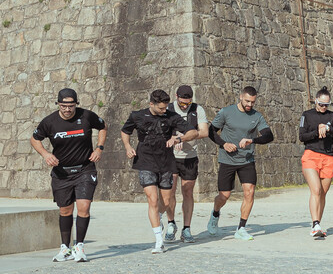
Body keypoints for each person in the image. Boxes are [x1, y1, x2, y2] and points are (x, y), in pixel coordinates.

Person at [30, 88, 106, 262]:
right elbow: (34, 139)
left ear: (76, 104)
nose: (67, 109)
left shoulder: (87, 116)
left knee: (84, 207)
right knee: (65, 210)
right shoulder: (49, 122)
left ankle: (79, 246)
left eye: (71, 106)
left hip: (85, 169)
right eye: (63, 106)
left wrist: (99, 148)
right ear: (58, 104)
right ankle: (65, 248)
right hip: (62, 172)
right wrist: (46, 154)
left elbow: (103, 127)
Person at [120, 90, 188, 253]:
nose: (164, 111)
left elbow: (193, 131)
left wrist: (178, 138)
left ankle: (158, 217)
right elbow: (125, 131)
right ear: (151, 104)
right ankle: (159, 241)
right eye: (161, 108)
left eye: (166, 108)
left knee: (166, 201)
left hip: (166, 162)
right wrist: (128, 147)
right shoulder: (137, 115)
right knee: (152, 199)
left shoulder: (171, 116)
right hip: (145, 161)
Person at [206, 86, 274, 241]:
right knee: (224, 196)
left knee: (249, 192)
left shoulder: (257, 116)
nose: (250, 104)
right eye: (247, 101)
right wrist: (224, 144)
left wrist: (252, 140)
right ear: (241, 97)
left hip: (246, 160)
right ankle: (215, 214)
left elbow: (269, 136)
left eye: (253, 102)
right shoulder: (226, 112)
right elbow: (211, 131)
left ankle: (241, 228)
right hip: (227, 160)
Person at [298, 86, 333, 239]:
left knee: (323, 193)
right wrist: (317, 132)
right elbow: (302, 136)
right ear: (316, 101)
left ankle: (318, 224)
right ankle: (315, 223)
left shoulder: (332, 115)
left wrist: (328, 128)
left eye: (326, 105)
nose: (324, 107)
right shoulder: (307, 115)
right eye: (321, 104)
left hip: (328, 157)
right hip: (311, 155)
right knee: (316, 190)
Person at [165, 85, 209, 242]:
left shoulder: (197, 110)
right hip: (170, 157)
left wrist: (182, 138)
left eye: (188, 103)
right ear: (176, 96)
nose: (185, 106)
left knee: (188, 191)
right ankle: (171, 224)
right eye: (182, 103)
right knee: (169, 192)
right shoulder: (168, 109)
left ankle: (187, 228)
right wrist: (171, 138)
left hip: (189, 157)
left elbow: (204, 132)